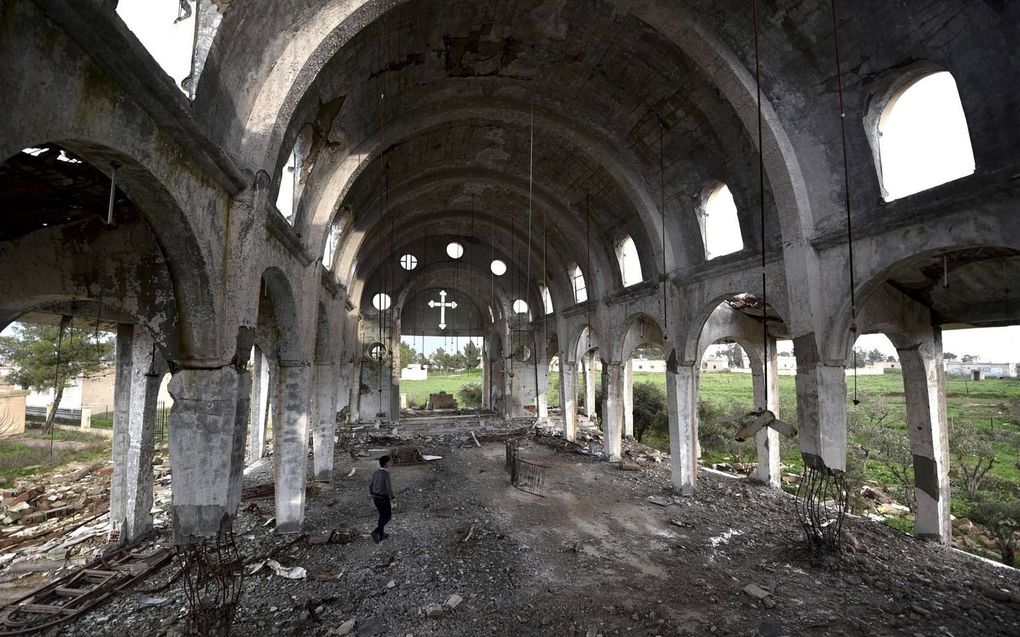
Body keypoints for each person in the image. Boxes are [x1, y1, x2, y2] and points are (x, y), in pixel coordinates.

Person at [369, 455, 395, 543]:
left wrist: (372, 494)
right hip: (383, 498)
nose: (390, 463)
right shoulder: (386, 474)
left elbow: (371, 485)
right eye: (390, 461)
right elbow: (388, 488)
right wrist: (393, 498)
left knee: (382, 515)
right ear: (387, 463)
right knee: (387, 516)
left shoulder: (375, 473)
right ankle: (376, 532)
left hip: (376, 498)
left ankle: (381, 534)